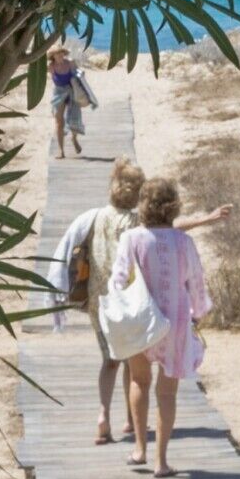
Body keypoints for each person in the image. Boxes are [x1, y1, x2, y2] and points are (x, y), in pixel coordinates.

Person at [110, 178, 211, 479]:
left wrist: (120, 310)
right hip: (175, 321)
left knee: (139, 381)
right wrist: (200, 311)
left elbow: (117, 279)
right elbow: (196, 281)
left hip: (140, 320)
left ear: (143, 205)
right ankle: (161, 461)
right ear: (174, 206)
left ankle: (139, 448)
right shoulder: (183, 241)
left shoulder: (131, 238)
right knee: (167, 394)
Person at [55, 160, 146, 441]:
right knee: (132, 360)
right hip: (128, 301)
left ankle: (103, 415)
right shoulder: (136, 223)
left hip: (99, 300)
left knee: (109, 361)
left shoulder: (95, 217)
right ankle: (131, 419)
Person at [47, 47, 96, 158]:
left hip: (72, 92)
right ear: (53, 56)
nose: (60, 55)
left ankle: (74, 139)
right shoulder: (51, 67)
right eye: (57, 53)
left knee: (74, 119)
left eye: (61, 53)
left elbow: (80, 77)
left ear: (64, 54)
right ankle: (61, 150)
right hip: (58, 94)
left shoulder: (70, 64)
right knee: (59, 122)